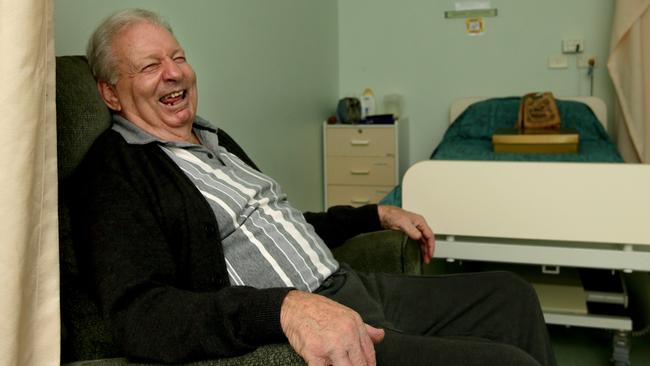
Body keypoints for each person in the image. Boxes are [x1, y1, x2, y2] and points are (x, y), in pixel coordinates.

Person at [71, 8, 556, 366]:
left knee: (511, 297)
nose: (173, 72)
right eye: (149, 66)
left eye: (177, 57)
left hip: (350, 284)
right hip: (315, 321)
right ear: (110, 92)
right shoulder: (115, 173)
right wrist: (284, 308)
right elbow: (141, 315)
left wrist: (373, 215)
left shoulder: (212, 138)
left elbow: (285, 223)